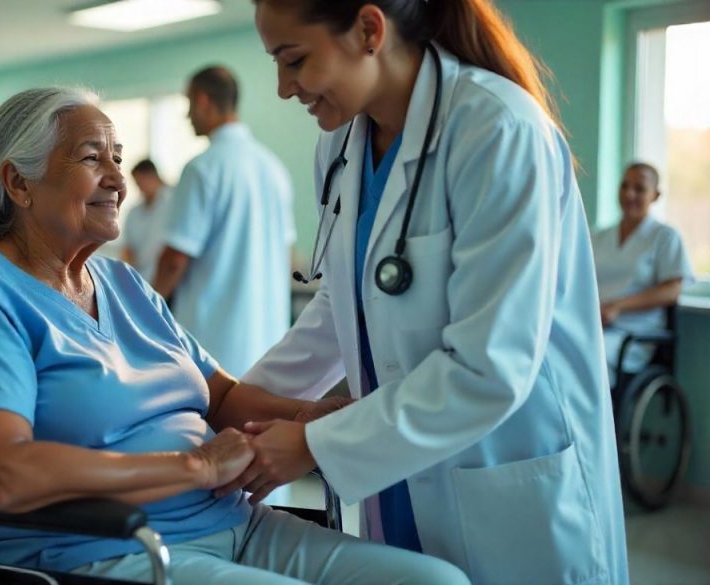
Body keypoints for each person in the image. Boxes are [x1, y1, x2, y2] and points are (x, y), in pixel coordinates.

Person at [0, 87, 467, 585]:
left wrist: (312, 418)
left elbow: (220, 396)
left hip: (235, 523)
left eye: (118, 159)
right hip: (101, 550)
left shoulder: (123, 283)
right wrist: (194, 467)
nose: (117, 179)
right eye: (90, 158)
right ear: (17, 182)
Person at [227, 1, 629, 584]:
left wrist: (314, 444)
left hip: (505, 474)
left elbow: (490, 367)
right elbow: (344, 302)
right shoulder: (340, 148)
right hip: (401, 470)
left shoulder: (497, 128)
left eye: (294, 60)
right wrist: (238, 408)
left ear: (369, 30)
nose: (284, 88)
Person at [153, 66, 295, 377]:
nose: (188, 116)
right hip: (269, 342)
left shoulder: (203, 168)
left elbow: (175, 259)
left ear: (203, 101)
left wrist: (144, 309)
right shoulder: (273, 168)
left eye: (189, 105)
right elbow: (288, 254)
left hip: (214, 345)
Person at [592, 162, 693, 383]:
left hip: (633, 336)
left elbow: (672, 290)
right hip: (594, 326)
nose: (629, 194)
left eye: (639, 189)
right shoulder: (599, 237)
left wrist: (617, 306)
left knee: (589, 356)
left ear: (655, 195)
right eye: (625, 186)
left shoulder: (664, 237)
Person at [122, 159, 172, 282]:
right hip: (141, 280)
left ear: (153, 176)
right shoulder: (134, 212)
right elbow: (127, 250)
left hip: (168, 282)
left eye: (141, 182)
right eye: (137, 184)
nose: (140, 188)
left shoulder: (174, 202)